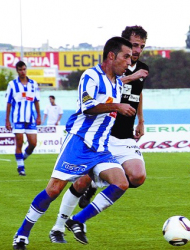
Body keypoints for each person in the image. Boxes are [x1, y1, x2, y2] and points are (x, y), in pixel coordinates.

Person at [12, 37, 135, 250]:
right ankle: (22, 234)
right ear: (111, 56)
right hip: (78, 142)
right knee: (54, 189)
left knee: (121, 182)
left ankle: (77, 220)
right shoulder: (91, 76)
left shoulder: (116, 84)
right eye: (126, 57)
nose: (129, 62)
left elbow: (112, 98)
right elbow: (87, 106)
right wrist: (117, 105)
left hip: (100, 149)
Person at [48, 25, 149, 244]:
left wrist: (140, 119)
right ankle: (58, 227)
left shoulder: (141, 68)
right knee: (80, 182)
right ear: (122, 46)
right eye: (133, 45)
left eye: (141, 46)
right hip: (102, 134)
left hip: (125, 135)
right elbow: (108, 87)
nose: (137, 50)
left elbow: (138, 95)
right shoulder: (113, 68)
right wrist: (131, 78)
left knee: (138, 176)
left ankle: (95, 186)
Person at [5, 61, 41, 176]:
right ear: (17, 70)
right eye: (20, 70)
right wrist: (7, 120)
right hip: (18, 119)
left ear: (26, 69)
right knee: (19, 143)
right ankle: (21, 168)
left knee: (33, 144)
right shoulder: (12, 84)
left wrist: (39, 116)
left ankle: (21, 158)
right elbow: (9, 103)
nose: (23, 71)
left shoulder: (33, 84)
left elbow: (36, 101)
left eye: (24, 69)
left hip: (30, 119)